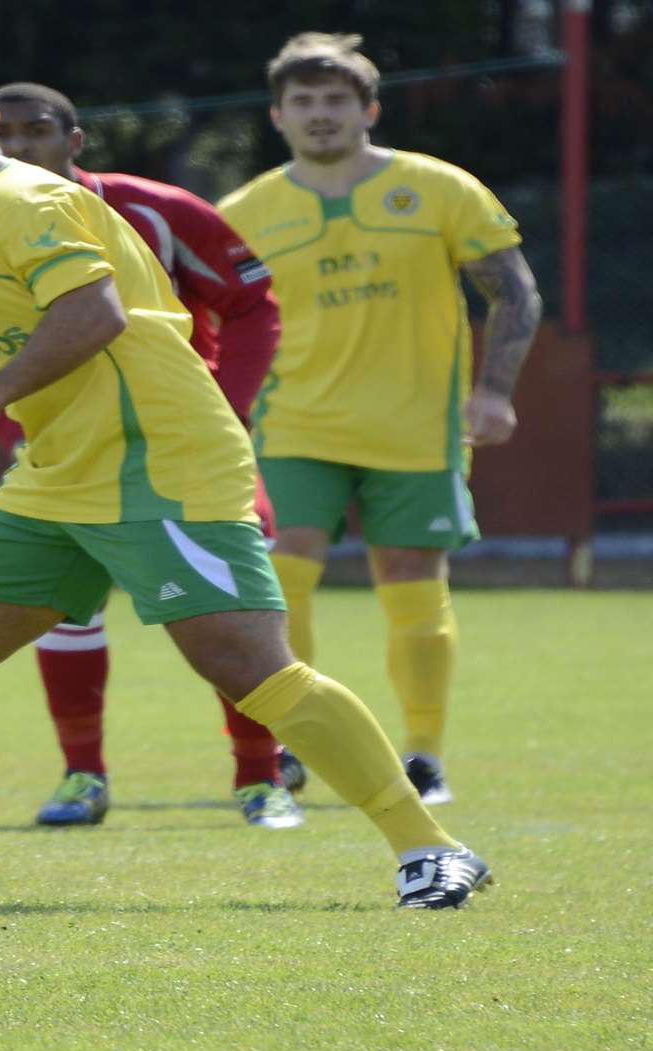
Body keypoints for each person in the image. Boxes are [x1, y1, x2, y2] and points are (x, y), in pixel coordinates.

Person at [0, 48, 490, 909]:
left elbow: (95, 313)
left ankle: (432, 849)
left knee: (248, 665)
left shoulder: (21, 198)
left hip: (158, 462)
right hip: (60, 474)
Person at [0, 80, 298, 831]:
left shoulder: (155, 211)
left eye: (40, 132)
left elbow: (251, 303)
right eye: (13, 135)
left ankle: (262, 779)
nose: (24, 149)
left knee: (232, 635)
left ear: (75, 142)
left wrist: (227, 404)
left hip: (174, 451)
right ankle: (80, 776)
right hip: (60, 462)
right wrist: (19, 433)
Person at [217, 33, 542, 806]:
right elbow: (207, 315)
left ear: (369, 109)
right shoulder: (244, 210)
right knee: (283, 570)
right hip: (291, 423)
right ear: (278, 115)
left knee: (412, 584)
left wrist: (494, 392)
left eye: (335, 101)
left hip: (416, 425)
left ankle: (424, 756)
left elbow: (515, 291)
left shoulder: (440, 188)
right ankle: (293, 740)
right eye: (303, 102)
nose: (320, 115)